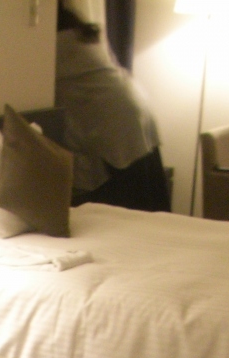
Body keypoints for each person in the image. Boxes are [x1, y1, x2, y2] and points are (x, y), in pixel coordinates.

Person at [55, 5, 170, 212]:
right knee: (148, 201)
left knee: (126, 205)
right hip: (133, 105)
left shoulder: (51, 47)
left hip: (114, 119)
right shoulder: (81, 34)